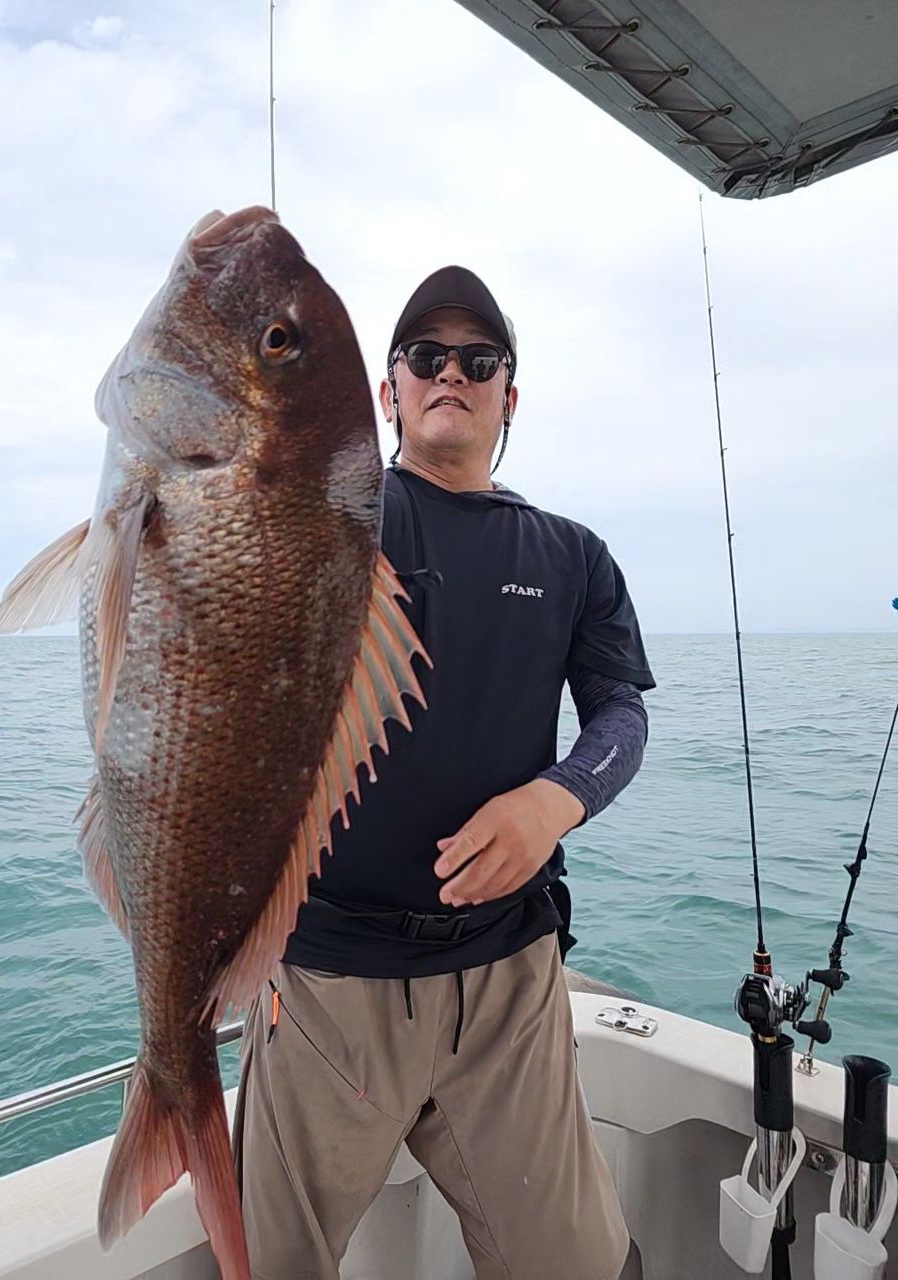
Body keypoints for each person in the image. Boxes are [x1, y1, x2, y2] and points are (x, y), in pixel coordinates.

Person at [233, 266, 655, 1280]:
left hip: (509, 978)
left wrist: (556, 798)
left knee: (585, 1264)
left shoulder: (573, 553)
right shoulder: (330, 522)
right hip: (330, 976)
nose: (450, 372)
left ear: (510, 395)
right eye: (425, 356)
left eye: (479, 359)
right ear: (389, 393)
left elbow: (620, 711)